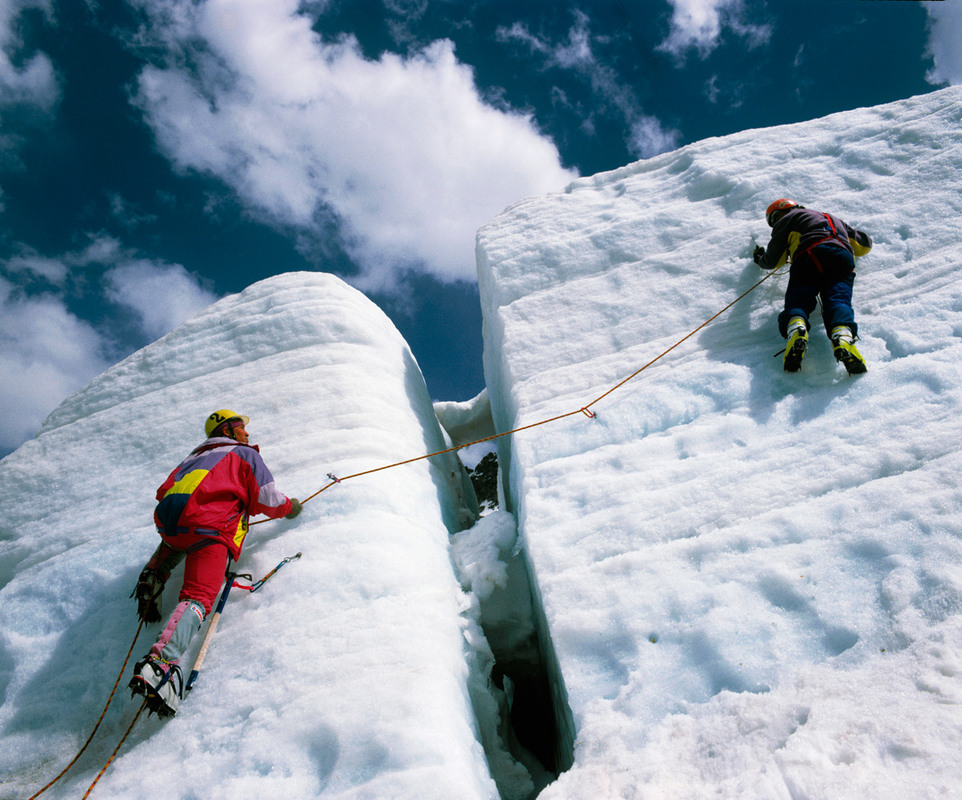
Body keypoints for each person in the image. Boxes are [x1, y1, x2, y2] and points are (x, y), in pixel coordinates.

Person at [129, 409, 302, 716]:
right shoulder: (244, 454)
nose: (247, 433)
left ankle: (155, 573)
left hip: (171, 528)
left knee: (178, 538)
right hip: (210, 532)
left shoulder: (193, 458)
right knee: (198, 597)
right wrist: (290, 507)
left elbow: (163, 492)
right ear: (228, 429)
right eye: (241, 427)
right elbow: (267, 499)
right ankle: (160, 665)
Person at [753, 199, 872, 374]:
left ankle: (797, 327)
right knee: (838, 298)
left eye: (774, 220)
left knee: (799, 296)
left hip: (810, 253)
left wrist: (759, 258)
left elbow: (773, 261)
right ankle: (842, 335)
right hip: (842, 257)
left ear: (779, 214)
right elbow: (864, 246)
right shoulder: (832, 218)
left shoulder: (787, 219)